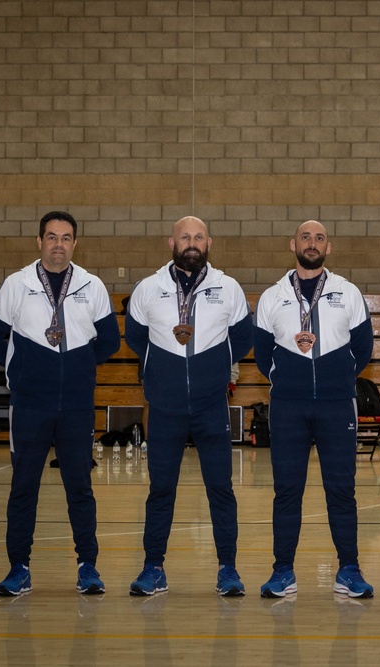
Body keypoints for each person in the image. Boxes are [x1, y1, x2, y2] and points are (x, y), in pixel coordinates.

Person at [0, 211, 120, 596]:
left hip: (76, 406)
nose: (58, 244)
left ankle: (87, 566)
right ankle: (19, 568)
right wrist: (21, 367)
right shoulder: (17, 283)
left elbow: (109, 341)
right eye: (52, 237)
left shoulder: (91, 285)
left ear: (75, 244)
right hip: (29, 405)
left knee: (80, 488)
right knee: (23, 487)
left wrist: (76, 366)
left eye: (66, 238)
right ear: (39, 241)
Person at [124, 216, 252, 597]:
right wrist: (162, 372)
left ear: (209, 242)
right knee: (161, 489)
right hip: (165, 407)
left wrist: (210, 373)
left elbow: (242, 339)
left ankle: (228, 568)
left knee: (221, 489)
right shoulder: (148, 288)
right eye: (185, 237)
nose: (192, 243)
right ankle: (153, 568)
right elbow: (135, 338)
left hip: (211, 406)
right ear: (171, 242)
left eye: (198, 237)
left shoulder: (228, 288)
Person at [254, 220, 375, 598]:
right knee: (287, 492)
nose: (312, 243)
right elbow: (261, 356)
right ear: (293, 243)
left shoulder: (348, 292)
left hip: (337, 407)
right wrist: (290, 378)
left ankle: (349, 569)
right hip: (288, 407)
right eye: (306, 237)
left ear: (329, 247)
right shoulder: (272, 296)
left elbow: (364, 348)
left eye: (319, 238)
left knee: (342, 491)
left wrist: (335, 378)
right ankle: (283, 572)